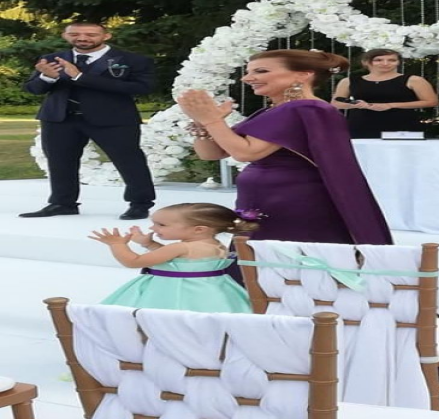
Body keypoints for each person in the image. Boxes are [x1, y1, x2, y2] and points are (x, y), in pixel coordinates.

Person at [177, 49, 393, 282]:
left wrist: (211, 120)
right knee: (262, 263)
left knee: (284, 265)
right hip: (265, 199)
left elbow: (245, 152)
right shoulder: (276, 110)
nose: (247, 78)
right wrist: (202, 123)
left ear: (303, 75)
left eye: (261, 71)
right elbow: (211, 153)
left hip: (293, 201)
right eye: (248, 72)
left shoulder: (305, 108)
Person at [20, 22, 156, 220]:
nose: (82, 38)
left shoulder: (132, 60)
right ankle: (62, 203)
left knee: (129, 161)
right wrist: (47, 78)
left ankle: (140, 204)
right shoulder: (52, 58)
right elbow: (32, 89)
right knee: (59, 162)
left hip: (113, 119)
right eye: (75, 34)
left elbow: (142, 88)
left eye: (91, 34)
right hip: (60, 118)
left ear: (106, 36)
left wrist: (80, 77)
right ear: (65, 35)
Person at [90, 203, 255, 313]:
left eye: (161, 225)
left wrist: (117, 244)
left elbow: (133, 261)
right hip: (210, 292)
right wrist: (149, 244)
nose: (153, 228)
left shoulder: (180, 247)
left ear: (199, 229)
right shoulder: (216, 245)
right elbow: (178, 262)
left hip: (172, 293)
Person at [332, 48, 439, 138]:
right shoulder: (348, 81)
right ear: (366, 62)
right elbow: (336, 103)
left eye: (392, 60)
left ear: (398, 62)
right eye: (378, 60)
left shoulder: (414, 80)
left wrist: (390, 105)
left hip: (401, 127)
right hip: (360, 127)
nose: (385, 63)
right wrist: (357, 105)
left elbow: (432, 101)